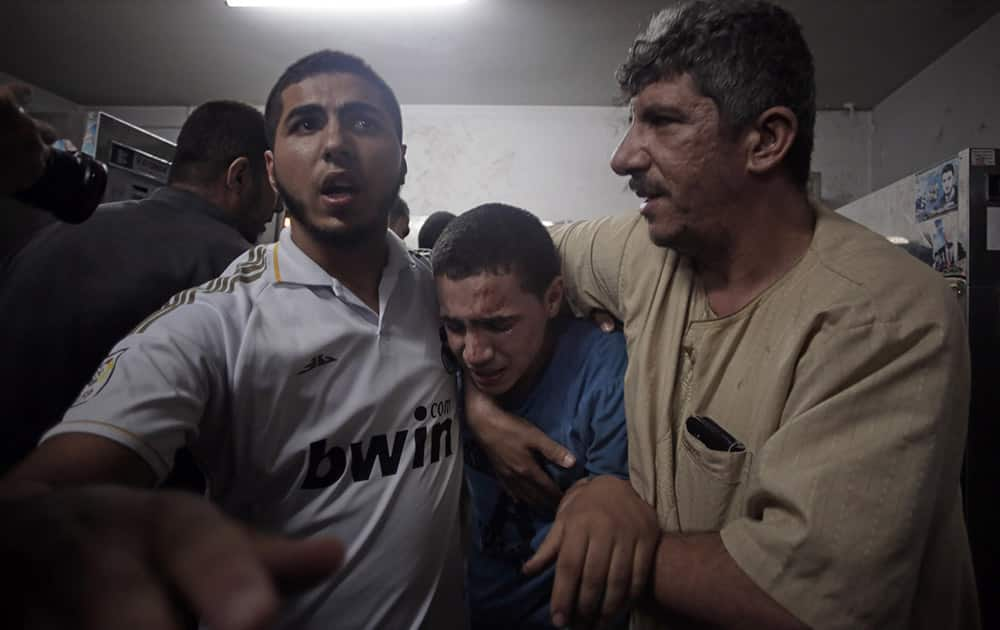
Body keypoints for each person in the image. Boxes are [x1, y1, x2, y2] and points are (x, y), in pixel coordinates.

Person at [465, 2, 979, 629]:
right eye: (634, 122)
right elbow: (496, 277)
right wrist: (480, 405)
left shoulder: (881, 316)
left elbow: (804, 604)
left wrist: (614, 523)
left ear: (765, 140)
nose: (624, 157)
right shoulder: (644, 251)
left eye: (662, 122)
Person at [4, 50, 465, 630]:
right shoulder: (213, 320)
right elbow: (49, 487)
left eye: (364, 121)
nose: (335, 143)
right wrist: (45, 533)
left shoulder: (442, 296)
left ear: (400, 162)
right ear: (270, 171)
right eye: (305, 124)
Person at [0, 100, 277, 477]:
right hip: (126, 517)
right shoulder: (241, 270)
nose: (275, 209)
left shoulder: (57, 232)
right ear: (239, 176)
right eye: (273, 185)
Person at [432, 203, 629, 629]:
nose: (474, 353)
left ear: (554, 297)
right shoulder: (443, 364)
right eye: (456, 327)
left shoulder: (606, 376)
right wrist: (476, 403)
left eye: (499, 326)